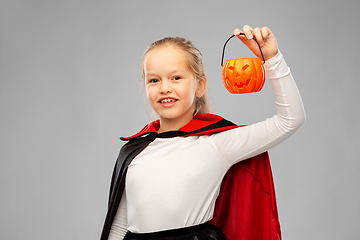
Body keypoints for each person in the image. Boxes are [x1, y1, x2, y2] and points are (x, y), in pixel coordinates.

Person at [100, 25, 306, 240]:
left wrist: (272, 58)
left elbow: (290, 120)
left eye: (176, 78)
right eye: (154, 80)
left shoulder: (217, 144)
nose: (164, 88)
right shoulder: (133, 151)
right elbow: (120, 225)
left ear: (200, 86)